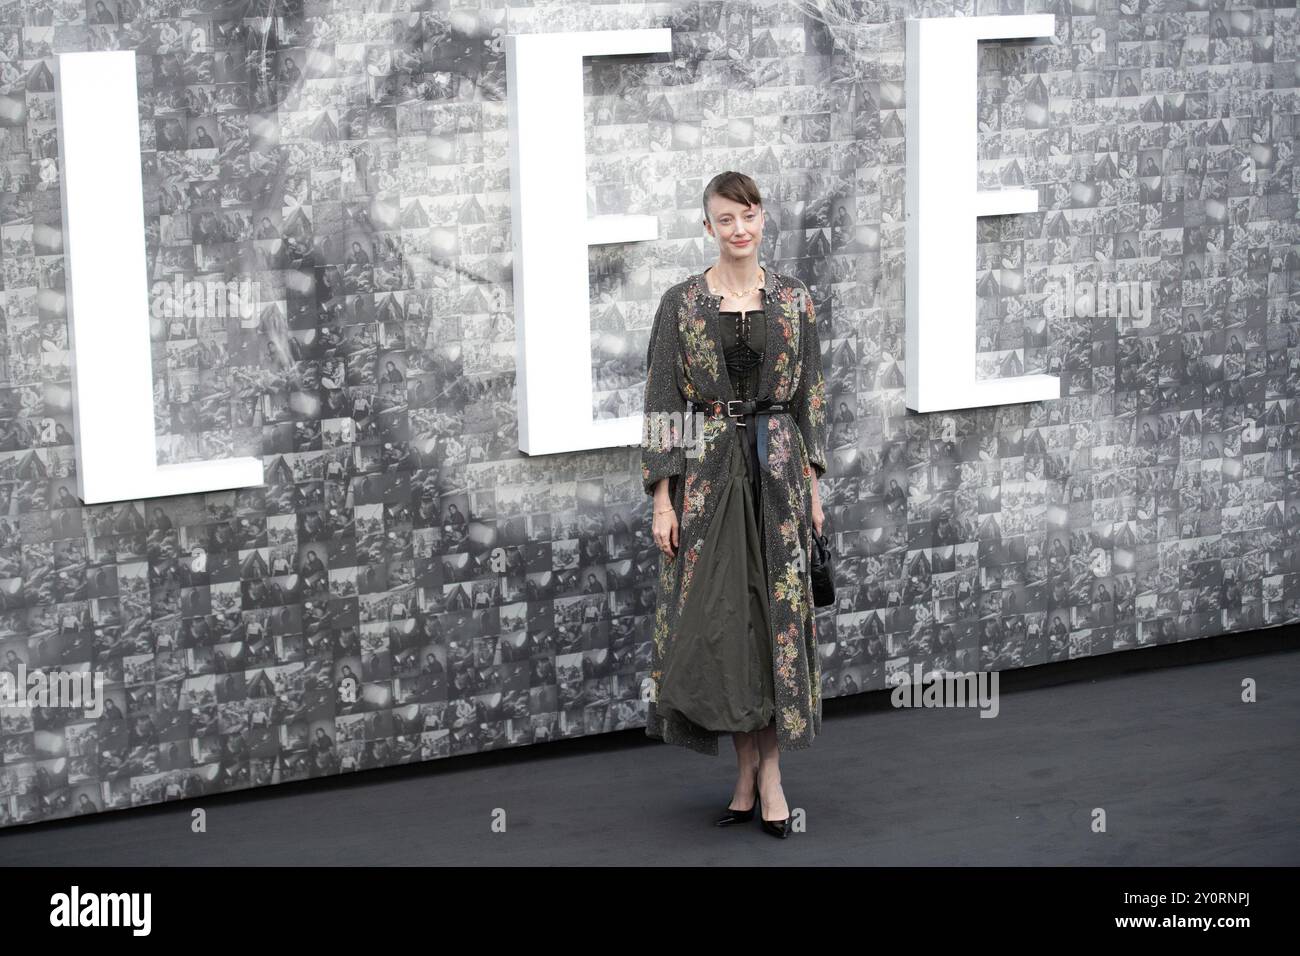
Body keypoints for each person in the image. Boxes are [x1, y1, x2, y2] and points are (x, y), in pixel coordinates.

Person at [641, 171, 828, 838]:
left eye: (748, 215)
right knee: (726, 630)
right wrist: (663, 499)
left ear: (762, 217)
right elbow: (664, 406)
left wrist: (814, 484)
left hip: (777, 474)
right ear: (709, 226)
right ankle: (750, 772)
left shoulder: (796, 302)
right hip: (709, 479)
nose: (739, 228)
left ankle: (765, 777)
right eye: (725, 218)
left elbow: (810, 399)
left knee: (773, 621)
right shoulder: (682, 304)